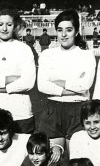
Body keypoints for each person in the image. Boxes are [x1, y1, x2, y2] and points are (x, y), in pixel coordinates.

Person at [37, 9, 96, 153]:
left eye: (68, 30)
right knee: (52, 162)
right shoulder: (47, 54)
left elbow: (85, 85)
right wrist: (71, 89)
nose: (63, 35)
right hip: (52, 110)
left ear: (76, 32)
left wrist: (59, 83)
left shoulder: (86, 55)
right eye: (60, 30)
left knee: (77, 163)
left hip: (79, 110)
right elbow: (42, 85)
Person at [0, 3, 36, 134]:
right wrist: (10, 79)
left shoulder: (24, 49)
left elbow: (28, 82)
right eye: (0, 24)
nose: (4, 29)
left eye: (9, 24)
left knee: (22, 154)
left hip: (21, 114)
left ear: (15, 25)